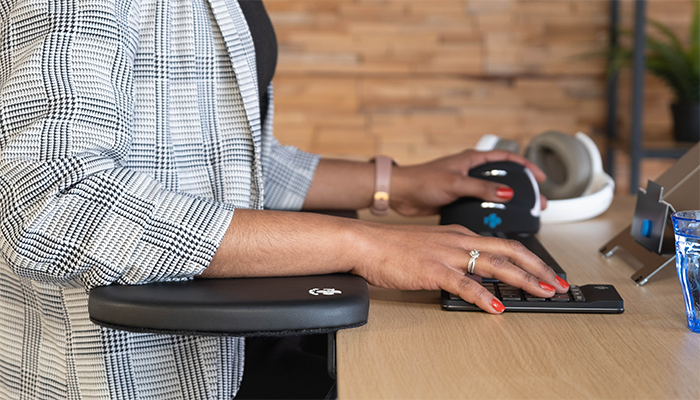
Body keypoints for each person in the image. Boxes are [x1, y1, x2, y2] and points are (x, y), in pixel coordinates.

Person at [0, 0, 569, 398]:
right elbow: (51, 203)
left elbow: (229, 166)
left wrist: (395, 183)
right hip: (128, 372)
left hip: (233, 346)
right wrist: (363, 244)